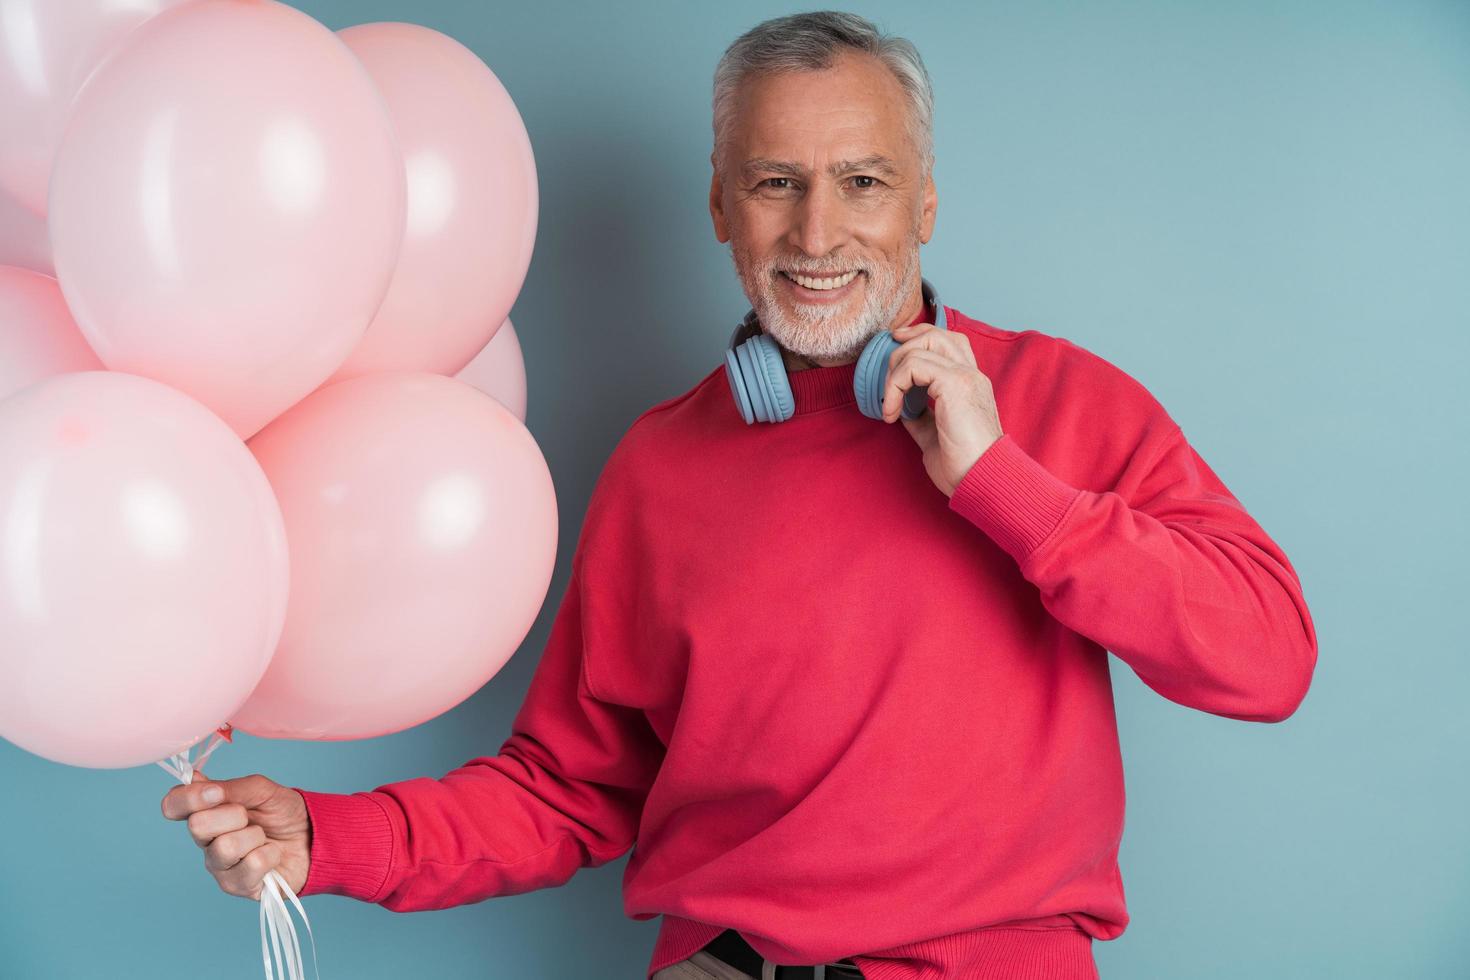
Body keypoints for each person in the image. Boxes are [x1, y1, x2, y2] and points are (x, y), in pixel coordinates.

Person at [161, 11, 1318, 980]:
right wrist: (332, 833)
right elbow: (565, 788)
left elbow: (1270, 657)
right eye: (777, 183)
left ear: (922, 206)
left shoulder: (1068, 404)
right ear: (722, 206)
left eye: (862, 181)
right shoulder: (660, 467)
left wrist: (999, 483)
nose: (818, 233)